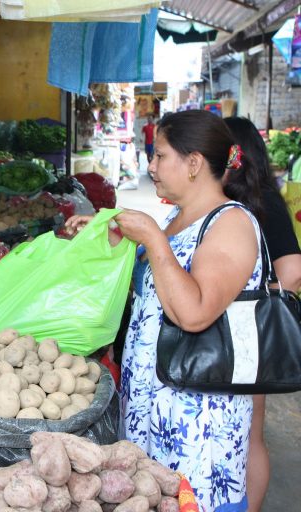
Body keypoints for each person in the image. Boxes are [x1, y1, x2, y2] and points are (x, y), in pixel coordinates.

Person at [66, 110, 264, 512]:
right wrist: (114, 239)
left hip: (198, 424)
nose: (150, 167)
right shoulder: (177, 219)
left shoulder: (232, 223)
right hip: (151, 408)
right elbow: (158, 286)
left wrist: (153, 240)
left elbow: (194, 313)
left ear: (193, 164)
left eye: (159, 156)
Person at [224, 116, 301, 512]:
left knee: (251, 434)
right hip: (225, 332)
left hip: (250, 334)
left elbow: (292, 272)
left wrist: (247, 300)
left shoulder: (263, 200)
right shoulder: (224, 198)